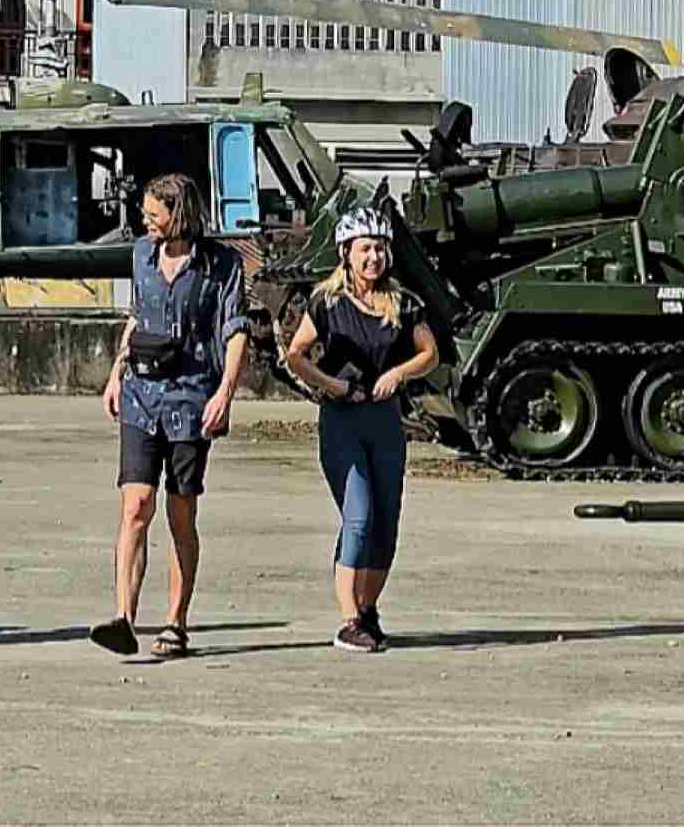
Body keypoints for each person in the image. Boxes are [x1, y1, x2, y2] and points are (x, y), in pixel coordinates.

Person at [90, 174, 250, 658]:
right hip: (141, 398)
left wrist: (225, 392)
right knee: (135, 506)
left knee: (181, 514)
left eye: (153, 213)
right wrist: (116, 373)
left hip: (190, 402)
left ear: (178, 214)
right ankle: (123, 617)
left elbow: (236, 330)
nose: (145, 220)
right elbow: (137, 317)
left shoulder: (220, 265)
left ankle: (176, 622)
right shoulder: (141, 254)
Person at [283, 206, 438, 652]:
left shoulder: (403, 304)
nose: (374, 257)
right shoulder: (326, 303)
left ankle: (368, 611)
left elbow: (430, 354)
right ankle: (348, 619)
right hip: (343, 420)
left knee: (386, 522)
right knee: (359, 516)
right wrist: (330, 384)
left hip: (385, 420)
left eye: (380, 248)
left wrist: (400, 374)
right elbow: (295, 355)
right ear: (346, 253)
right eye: (365, 248)